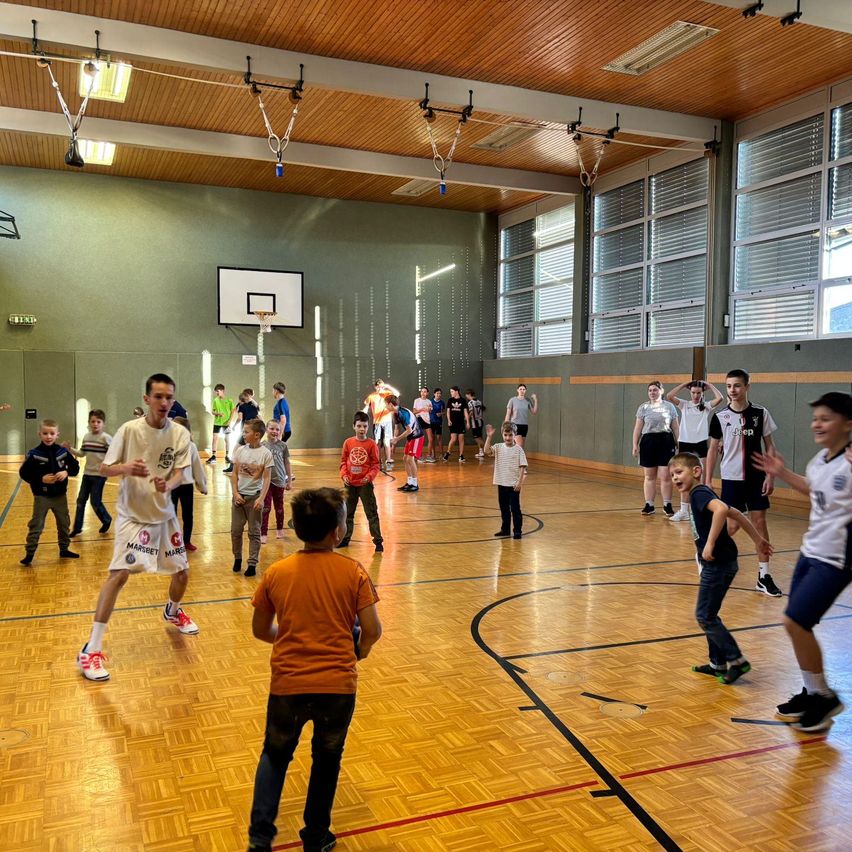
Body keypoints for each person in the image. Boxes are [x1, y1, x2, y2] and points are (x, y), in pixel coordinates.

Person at [247, 488, 381, 852]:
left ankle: (260, 839)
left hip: (288, 684)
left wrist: (289, 638)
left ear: (297, 527)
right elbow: (372, 630)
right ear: (338, 532)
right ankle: (316, 837)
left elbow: (261, 630)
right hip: (337, 688)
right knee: (326, 761)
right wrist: (360, 651)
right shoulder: (353, 572)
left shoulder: (278, 572)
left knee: (274, 757)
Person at [77, 374, 198, 683]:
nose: (164, 402)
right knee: (118, 576)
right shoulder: (129, 431)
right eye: (158, 396)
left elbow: (182, 473)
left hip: (165, 514)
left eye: (168, 397)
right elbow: (103, 467)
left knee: (182, 574)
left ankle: (172, 611)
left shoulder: (179, 434)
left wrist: (166, 484)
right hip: (133, 516)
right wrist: (126, 468)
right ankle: (90, 649)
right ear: (147, 399)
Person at [753, 392, 852, 732]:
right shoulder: (820, 461)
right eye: (815, 418)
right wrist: (782, 473)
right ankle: (812, 693)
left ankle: (825, 697)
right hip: (810, 551)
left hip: (837, 559)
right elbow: (813, 489)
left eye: (826, 418)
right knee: (796, 624)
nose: (817, 424)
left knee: (796, 621)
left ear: (848, 424)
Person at [669, 452, 772, 684]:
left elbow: (722, 511)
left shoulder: (699, 493)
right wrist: (758, 540)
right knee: (710, 614)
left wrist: (710, 543)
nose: (675, 478)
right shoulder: (700, 493)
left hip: (717, 564)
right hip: (723, 563)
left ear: (696, 471)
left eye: (679, 472)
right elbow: (734, 511)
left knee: (704, 616)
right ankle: (718, 663)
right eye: (672, 475)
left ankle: (736, 661)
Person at [705, 368, 781, 597]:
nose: (732, 390)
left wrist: (770, 475)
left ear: (747, 387)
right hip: (731, 478)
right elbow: (712, 450)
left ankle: (764, 575)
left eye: (737, 386)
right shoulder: (720, 417)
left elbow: (770, 446)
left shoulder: (760, 413)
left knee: (760, 523)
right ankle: (708, 555)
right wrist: (708, 480)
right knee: (731, 526)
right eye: (728, 386)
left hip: (756, 477)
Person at [19, 419, 80, 566]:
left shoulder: (62, 452)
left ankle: (64, 549)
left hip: (60, 497)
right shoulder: (34, 454)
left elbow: (75, 468)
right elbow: (24, 473)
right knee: (36, 525)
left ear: (57, 435)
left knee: (64, 523)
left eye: (52, 433)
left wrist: (66, 472)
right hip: (42, 497)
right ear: (40, 434)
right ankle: (30, 553)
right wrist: (40, 479)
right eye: (45, 433)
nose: (48, 436)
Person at [665, 379, 725, 522]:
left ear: (702, 393)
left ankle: (699, 510)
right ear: (690, 393)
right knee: (683, 477)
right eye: (693, 393)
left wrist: (709, 385)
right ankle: (684, 510)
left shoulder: (706, 407)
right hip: (685, 443)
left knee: (700, 479)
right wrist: (684, 385)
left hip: (700, 444)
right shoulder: (684, 405)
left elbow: (720, 398)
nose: (696, 396)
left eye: (698, 393)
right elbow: (669, 396)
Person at [230, 418, 273, 578]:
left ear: (256, 435)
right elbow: (234, 473)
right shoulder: (240, 451)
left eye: (246, 432)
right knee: (235, 530)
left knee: (254, 532)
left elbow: (267, 479)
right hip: (238, 498)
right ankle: (237, 558)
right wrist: (235, 493)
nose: (243, 434)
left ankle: (252, 563)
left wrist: (261, 499)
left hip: (254, 498)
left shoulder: (265, 454)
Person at [632, 380, 679, 516]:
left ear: (661, 391)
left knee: (665, 476)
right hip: (648, 441)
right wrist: (635, 444)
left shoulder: (669, 407)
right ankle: (649, 504)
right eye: (650, 390)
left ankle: (667, 504)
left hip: (666, 441)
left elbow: (675, 427)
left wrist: (679, 443)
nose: (652, 392)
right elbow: (638, 428)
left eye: (655, 390)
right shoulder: (643, 408)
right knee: (649, 475)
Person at [339, 411, 383, 551]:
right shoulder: (348, 442)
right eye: (359, 426)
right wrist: (344, 474)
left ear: (368, 426)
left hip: (365, 485)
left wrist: (368, 477)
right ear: (354, 426)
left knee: (371, 513)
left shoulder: (371, 444)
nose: (362, 429)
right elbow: (343, 462)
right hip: (349, 484)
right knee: (347, 513)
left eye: (364, 426)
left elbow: (376, 465)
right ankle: (345, 539)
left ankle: (378, 541)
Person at [65, 408, 112, 537]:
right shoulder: (86, 437)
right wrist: (70, 449)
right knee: (80, 500)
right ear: (89, 423)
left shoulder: (106, 438)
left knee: (95, 502)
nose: (95, 424)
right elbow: (82, 453)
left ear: (103, 423)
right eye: (93, 421)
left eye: (98, 421)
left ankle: (106, 520)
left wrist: (108, 466)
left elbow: (114, 454)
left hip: (99, 476)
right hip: (87, 475)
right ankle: (77, 527)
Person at [484, 422, 528, 539]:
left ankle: (517, 530)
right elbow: (487, 451)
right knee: (504, 508)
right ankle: (505, 529)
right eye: (505, 435)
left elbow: (523, 466)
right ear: (502, 434)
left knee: (515, 508)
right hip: (501, 483)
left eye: (510, 435)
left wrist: (519, 483)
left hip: (513, 485)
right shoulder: (498, 447)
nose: (508, 437)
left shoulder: (518, 449)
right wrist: (489, 437)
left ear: (514, 435)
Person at [171, 416, 208, 553]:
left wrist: (202, 485)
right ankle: (172, 541)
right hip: (171, 487)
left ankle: (186, 541)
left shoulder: (191, 446)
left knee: (188, 515)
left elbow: (197, 467)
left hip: (186, 486)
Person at [261, 419, 292, 544]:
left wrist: (289, 480)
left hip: (279, 480)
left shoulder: (283, 446)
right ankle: (263, 532)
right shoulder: (262, 445)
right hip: (266, 482)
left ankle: (280, 528)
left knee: (279, 507)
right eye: (272, 429)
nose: (274, 431)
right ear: (266, 429)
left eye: (277, 429)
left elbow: (287, 463)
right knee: (266, 507)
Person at [386, 395, 424, 492]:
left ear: (390, 404)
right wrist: (394, 442)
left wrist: (397, 439)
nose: (385, 407)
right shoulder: (395, 414)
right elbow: (397, 428)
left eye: (386, 405)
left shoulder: (403, 413)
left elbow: (409, 430)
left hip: (417, 436)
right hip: (411, 437)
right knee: (405, 458)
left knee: (410, 459)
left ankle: (415, 484)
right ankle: (409, 482)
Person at [363, 379, 398, 471]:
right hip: (377, 422)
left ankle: (389, 460)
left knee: (387, 441)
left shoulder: (387, 393)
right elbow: (366, 407)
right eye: (378, 386)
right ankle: (378, 461)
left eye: (381, 386)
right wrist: (363, 413)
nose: (380, 388)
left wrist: (388, 386)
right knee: (377, 442)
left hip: (387, 421)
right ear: (375, 387)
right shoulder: (372, 396)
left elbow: (397, 394)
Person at [225, 390, 261, 473]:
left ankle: (232, 467)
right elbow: (259, 418)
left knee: (236, 449)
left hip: (246, 430)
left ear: (240, 400)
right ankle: (255, 467)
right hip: (254, 430)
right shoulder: (254, 407)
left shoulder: (241, 406)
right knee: (251, 449)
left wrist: (234, 426)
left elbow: (239, 418)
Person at [209, 383, 235, 466]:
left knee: (227, 439)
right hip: (217, 422)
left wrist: (229, 422)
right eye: (216, 392)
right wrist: (217, 413)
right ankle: (213, 456)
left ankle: (227, 456)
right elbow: (213, 411)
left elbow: (232, 412)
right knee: (215, 438)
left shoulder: (229, 400)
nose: (216, 393)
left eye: (218, 391)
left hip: (226, 423)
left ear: (222, 391)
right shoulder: (215, 400)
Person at [505, 383, 538, 448]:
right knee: (519, 445)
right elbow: (508, 414)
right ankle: (518, 458)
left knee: (521, 446)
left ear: (525, 390)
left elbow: (534, 411)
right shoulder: (512, 400)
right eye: (520, 389)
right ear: (517, 390)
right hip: (515, 425)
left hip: (524, 425)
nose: (522, 390)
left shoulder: (527, 400)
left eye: (524, 389)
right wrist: (506, 426)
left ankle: (515, 457)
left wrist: (535, 400)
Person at [443, 386, 468, 463]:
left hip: (461, 423)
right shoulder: (450, 400)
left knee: (461, 438)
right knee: (453, 439)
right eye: (450, 392)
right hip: (453, 423)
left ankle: (461, 455)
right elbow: (448, 411)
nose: (451, 393)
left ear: (456, 391)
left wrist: (468, 422)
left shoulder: (463, 400)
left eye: (452, 391)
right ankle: (448, 452)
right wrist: (449, 420)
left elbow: (465, 412)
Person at [413, 386, 434, 462]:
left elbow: (430, 411)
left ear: (427, 393)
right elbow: (414, 412)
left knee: (431, 439)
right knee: (419, 438)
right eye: (422, 391)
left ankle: (429, 455)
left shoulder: (429, 401)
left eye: (425, 391)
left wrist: (429, 409)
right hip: (419, 419)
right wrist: (422, 409)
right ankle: (419, 456)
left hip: (427, 420)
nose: (423, 393)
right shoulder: (417, 401)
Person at [465, 389, 485, 458]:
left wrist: (467, 418)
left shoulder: (470, 403)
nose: (466, 396)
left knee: (476, 438)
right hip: (480, 421)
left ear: (469, 394)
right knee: (479, 437)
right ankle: (481, 451)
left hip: (475, 422)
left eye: (466, 395)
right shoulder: (479, 401)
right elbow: (483, 409)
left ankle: (487, 447)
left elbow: (471, 412)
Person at [430, 388, 446, 459]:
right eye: (437, 393)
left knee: (439, 437)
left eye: (440, 393)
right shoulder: (430, 402)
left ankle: (441, 454)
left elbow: (444, 412)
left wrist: (441, 413)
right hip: (431, 422)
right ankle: (433, 454)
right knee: (432, 438)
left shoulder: (442, 402)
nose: (439, 395)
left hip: (439, 422)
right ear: (434, 394)